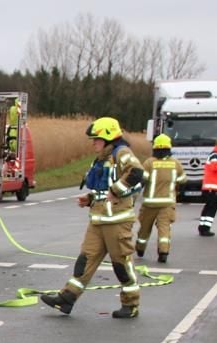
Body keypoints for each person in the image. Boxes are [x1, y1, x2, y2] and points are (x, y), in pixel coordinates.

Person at [41, 116, 144, 319]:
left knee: (121, 264)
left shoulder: (122, 153)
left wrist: (117, 190)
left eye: (96, 138)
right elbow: (102, 188)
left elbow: (137, 172)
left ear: (107, 138)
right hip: (98, 220)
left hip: (117, 221)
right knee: (85, 261)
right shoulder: (103, 158)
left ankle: (130, 304)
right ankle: (67, 298)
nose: (93, 142)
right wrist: (89, 198)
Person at [136, 134, 186, 263]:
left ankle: (140, 248)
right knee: (164, 228)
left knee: (144, 229)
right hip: (167, 203)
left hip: (149, 204)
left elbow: (142, 180)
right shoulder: (175, 164)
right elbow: (182, 179)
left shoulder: (149, 163)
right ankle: (163, 252)